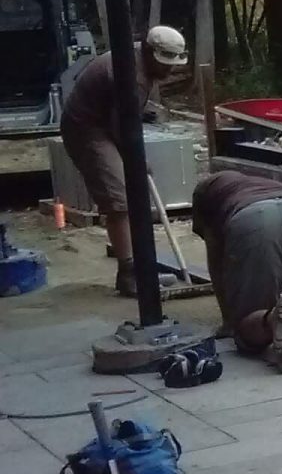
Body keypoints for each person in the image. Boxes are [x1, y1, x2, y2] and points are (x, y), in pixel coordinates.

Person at [59, 26, 191, 296]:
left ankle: (143, 267)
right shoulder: (131, 75)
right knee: (119, 200)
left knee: (134, 192)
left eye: (173, 62)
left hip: (106, 122)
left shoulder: (143, 63)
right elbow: (122, 129)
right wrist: (137, 159)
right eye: (165, 62)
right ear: (149, 51)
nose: (170, 69)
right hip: (87, 128)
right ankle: (129, 274)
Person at [190, 171, 282, 372]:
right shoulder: (267, 182)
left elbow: (216, 258)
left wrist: (230, 321)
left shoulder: (204, 193)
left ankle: (273, 319)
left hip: (252, 218)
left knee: (249, 322)